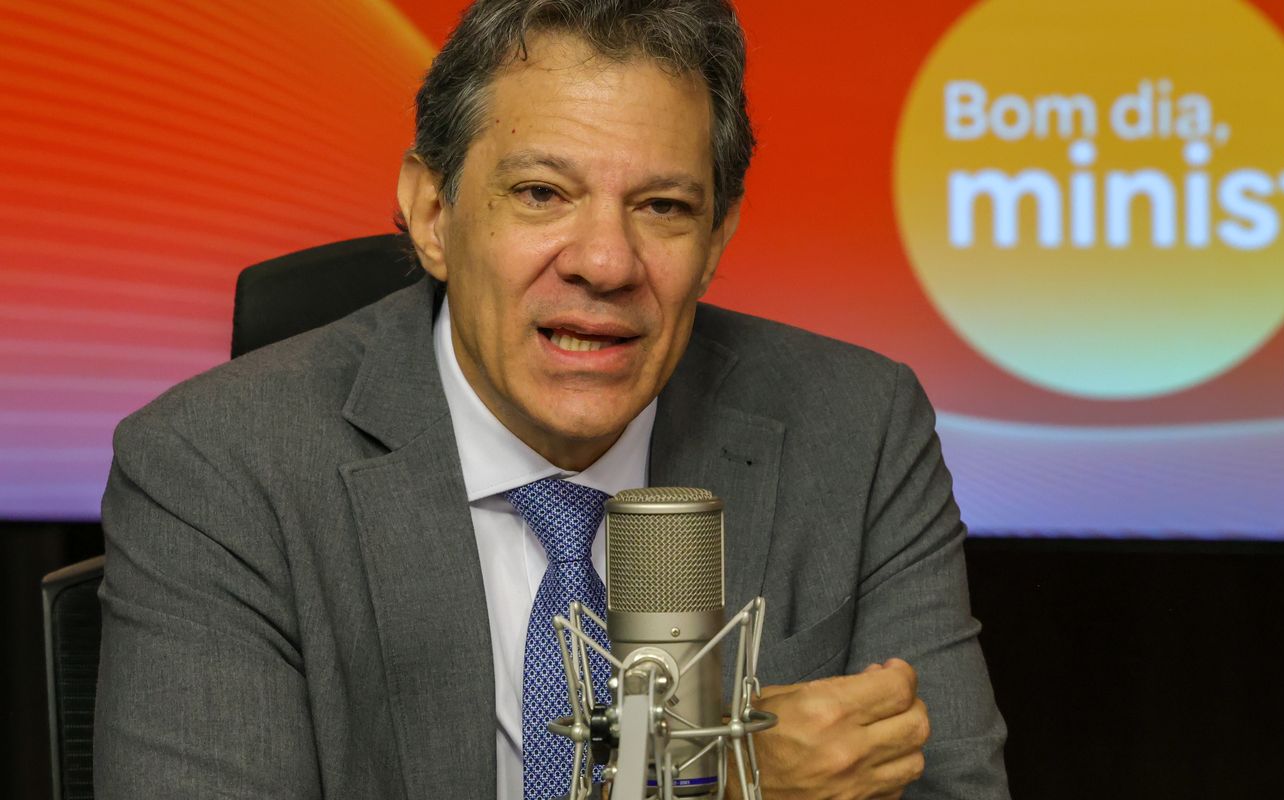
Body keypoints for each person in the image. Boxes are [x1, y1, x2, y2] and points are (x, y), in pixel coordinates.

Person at [94, 1, 1008, 798]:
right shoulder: (220, 464)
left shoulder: (857, 429)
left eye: (663, 207)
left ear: (718, 239)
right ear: (432, 214)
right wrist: (700, 780)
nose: (605, 262)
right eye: (542, 193)